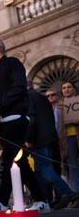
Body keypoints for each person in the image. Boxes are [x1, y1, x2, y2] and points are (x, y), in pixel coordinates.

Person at [0, 38, 48, 211]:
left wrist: (0, 107)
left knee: (8, 159)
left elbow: (19, 88)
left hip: (16, 119)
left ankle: (1, 201)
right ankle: (42, 200)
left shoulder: (12, 63)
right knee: (20, 162)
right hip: (3, 123)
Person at [26, 81, 79, 209]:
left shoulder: (28, 97)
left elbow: (31, 119)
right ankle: (44, 200)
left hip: (39, 140)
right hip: (50, 139)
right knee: (40, 170)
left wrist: (28, 138)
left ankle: (69, 193)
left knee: (44, 168)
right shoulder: (42, 98)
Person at [58, 82, 79, 193]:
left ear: (74, 89)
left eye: (69, 87)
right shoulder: (59, 105)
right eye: (64, 88)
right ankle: (76, 193)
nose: (66, 89)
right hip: (67, 139)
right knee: (72, 166)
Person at [45, 88, 62, 176]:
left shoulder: (62, 107)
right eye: (48, 96)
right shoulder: (44, 111)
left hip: (63, 138)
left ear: (57, 95)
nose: (50, 97)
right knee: (55, 164)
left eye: (52, 95)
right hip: (52, 141)